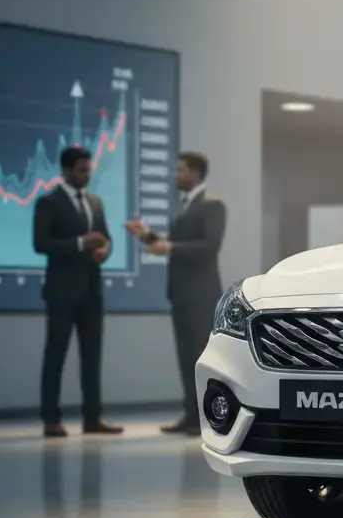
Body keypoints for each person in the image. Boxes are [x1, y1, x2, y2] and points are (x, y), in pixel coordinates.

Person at [125, 151, 226, 436]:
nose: (174, 175)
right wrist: (145, 235)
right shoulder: (184, 205)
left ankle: (208, 418)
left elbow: (209, 247)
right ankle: (191, 415)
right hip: (180, 293)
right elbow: (176, 244)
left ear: (195, 173)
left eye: (180, 170)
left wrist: (168, 248)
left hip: (201, 294)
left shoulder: (212, 204)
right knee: (185, 357)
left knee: (200, 356)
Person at [33, 146, 123, 437]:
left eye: (89, 169)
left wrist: (105, 249)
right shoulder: (48, 203)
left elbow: (105, 238)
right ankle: (51, 419)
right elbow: (41, 243)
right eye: (82, 170)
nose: (88, 175)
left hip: (91, 292)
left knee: (92, 358)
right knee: (55, 357)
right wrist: (80, 244)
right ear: (66, 170)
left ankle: (92, 418)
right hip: (61, 292)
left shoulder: (95, 202)